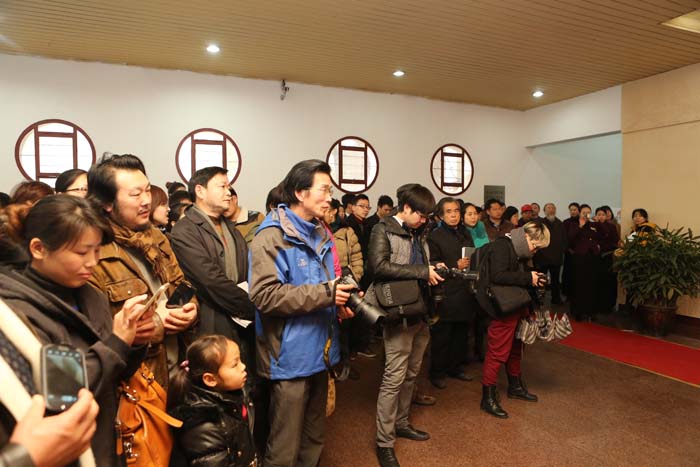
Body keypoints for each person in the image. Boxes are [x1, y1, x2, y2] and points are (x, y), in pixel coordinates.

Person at [0, 196, 154, 465]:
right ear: (39, 249)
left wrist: (135, 340)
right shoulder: (17, 312)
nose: (92, 262)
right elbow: (65, 394)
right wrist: (117, 342)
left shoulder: (92, 296)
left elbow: (114, 374)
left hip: (105, 439)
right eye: (82, 253)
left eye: (97, 251)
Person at [248, 159, 354, 467]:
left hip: (321, 351)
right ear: (299, 193)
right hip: (289, 357)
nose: (330, 198)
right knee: (285, 444)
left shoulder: (320, 232)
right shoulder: (271, 237)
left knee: (314, 437)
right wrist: (326, 294)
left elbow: (324, 285)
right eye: (324, 190)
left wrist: (339, 302)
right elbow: (265, 296)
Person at [87, 153, 198, 389]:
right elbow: (100, 331)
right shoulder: (94, 252)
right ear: (106, 203)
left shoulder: (156, 238)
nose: (147, 200)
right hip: (138, 382)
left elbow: (180, 283)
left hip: (177, 371)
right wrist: (158, 323)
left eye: (147, 190)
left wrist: (190, 309)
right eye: (135, 194)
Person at [365, 183, 444, 467]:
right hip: (398, 312)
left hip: (421, 311)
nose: (424, 221)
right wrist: (423, 271)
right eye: (421, 215)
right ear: (406, 208)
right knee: (394, 378)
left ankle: (401, 422)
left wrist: (434, 269)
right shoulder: (382, 229)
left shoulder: (418, 231)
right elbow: (377, 267)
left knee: (411, 374)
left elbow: (422, 263)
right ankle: (384, 442)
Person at [170, 167, 256, 380]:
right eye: (222, 186)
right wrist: (251, 306)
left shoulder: (229, 227)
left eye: (229, 186)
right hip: (212, 319)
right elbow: (209, 280)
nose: (229, 192)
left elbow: (246, 270)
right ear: (200, 191)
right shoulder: (185, 230)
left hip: (241, 320)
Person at [479, 222, 550, 419]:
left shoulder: (520, 250)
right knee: (498, 351)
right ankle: (488, 397)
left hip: (518, 303)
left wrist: (533, 278)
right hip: (503, 306)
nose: (535, 251)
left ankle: (515, 387)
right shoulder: (502, 245)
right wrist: (528, 278)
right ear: (526, 236)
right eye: (535, 246)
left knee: (517, 347)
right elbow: (497, 275)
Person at [168, 335, 257, 467]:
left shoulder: (234, 397)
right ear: (210, 379)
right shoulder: (204, 426)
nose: (243, 366)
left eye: (240, 360)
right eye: (235, 365)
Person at [427, 197, 476, 389]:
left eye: (456, 211)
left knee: (461, 333)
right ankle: (437, 372)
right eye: (449, 211)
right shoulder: (435, 236)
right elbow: (432, 263)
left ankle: (455, 367)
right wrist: (455, 265)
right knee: (442, 335)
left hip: (465, 289)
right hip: (446, 290)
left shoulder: (465, 233)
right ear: (440, 215)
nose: (454, 215)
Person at [566, 204, 601, 321]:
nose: (586, 214)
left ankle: (590, 310)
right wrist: (580, 226)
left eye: (588, 212)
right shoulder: (574, 224)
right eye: (584, 212)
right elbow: (570, 238)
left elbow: (600, 236)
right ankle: (578, 311)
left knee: (591, 284)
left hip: (592, 257)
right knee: (579, 284)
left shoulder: (594, 225)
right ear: (580, 213)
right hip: (579, 258)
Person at [534, 203, 567, 304]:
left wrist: (562, 250)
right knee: (541, 279)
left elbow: (564, 239)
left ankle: (556, 298)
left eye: (553, 208)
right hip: (543, 256)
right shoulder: (540, 223)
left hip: (556, 257)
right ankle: (539, 299)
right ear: (544, 211)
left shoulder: (560, 223)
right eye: (548, 208)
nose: (551, 209)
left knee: (555, 280)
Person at [594, 207, 620, 314]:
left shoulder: (611, 226)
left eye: (603, 215)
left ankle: (608, 304)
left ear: (606, 216)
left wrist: (604, 246)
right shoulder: (592, 226)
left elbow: (615, 241)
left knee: (608, 281)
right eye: (598, 214)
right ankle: (597, 304)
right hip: (595, 257)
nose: (601, 217)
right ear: (595, 216)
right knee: (597, 280)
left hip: (608, 256)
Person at [561, 202, 581, 300]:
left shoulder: (582, 221)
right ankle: (568, 295)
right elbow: (563, 238)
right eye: (571, 210)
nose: (573, 211)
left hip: (580, 253)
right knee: (568, 274)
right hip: (569, 253)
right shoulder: (566, 222)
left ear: (579, 211)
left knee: (578, 274)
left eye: (575, 209)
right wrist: (568, 249)